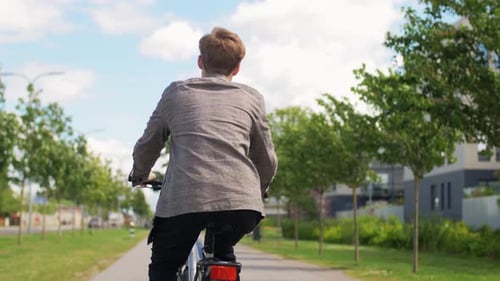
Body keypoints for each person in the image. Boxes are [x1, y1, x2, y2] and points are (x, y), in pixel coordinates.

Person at [128, 26, 278, 281]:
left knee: (164, 267)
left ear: (200, 61)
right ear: (237, 68)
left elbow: (149, 143)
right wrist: (259, 187)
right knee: (223, 254)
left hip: (184, 201)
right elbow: (267, 158)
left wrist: (140, 174)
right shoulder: (253, 98)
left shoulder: (176, 93)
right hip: (241, 204)